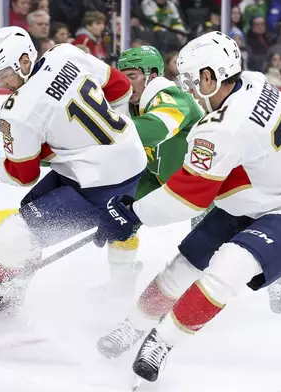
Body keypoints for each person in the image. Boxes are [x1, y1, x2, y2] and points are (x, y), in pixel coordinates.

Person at [94, 31, 281, 386]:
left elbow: (186, 199)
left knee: (227, 268)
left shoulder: (222, 127)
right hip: (253, 196)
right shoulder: (254, 81)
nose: (188, 89)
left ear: (211, 77)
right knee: (183, 265)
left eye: (191, 80)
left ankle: (161, 342)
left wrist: (133, 214)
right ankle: (133, 326)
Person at [0, 26, 147, 334]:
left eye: (4, 74)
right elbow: (120, 88)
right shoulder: (66, 53)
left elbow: (22, 173)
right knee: (32, 208)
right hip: (127, 158)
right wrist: (105, 137)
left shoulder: (18, 110)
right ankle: (11, 292)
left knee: (16, 231)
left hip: (98, 183)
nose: (2, 84)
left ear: (25, 61)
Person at [98, 46, 204, 299]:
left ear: (153, 75)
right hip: (157, 177)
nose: (126, 83)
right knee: (118, 214)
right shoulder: (127, 104)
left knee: (206, 246)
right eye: (122, 76)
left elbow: (155, 130)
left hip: (204, 181)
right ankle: (120, 285)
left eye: (132, 76)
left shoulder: (171, 96)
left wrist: (99, 127)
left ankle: (272, 274)